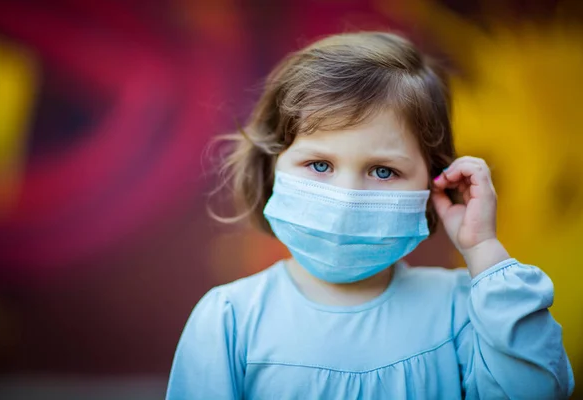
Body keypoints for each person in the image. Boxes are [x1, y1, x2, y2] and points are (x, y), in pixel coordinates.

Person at [166, 32, 574, 399]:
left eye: (383, 171)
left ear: (435, 184)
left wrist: (484, 249)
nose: (346, 199)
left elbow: (537, 389)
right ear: (272, 167)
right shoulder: (229, 320)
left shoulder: (463, 311)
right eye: (320, 165)